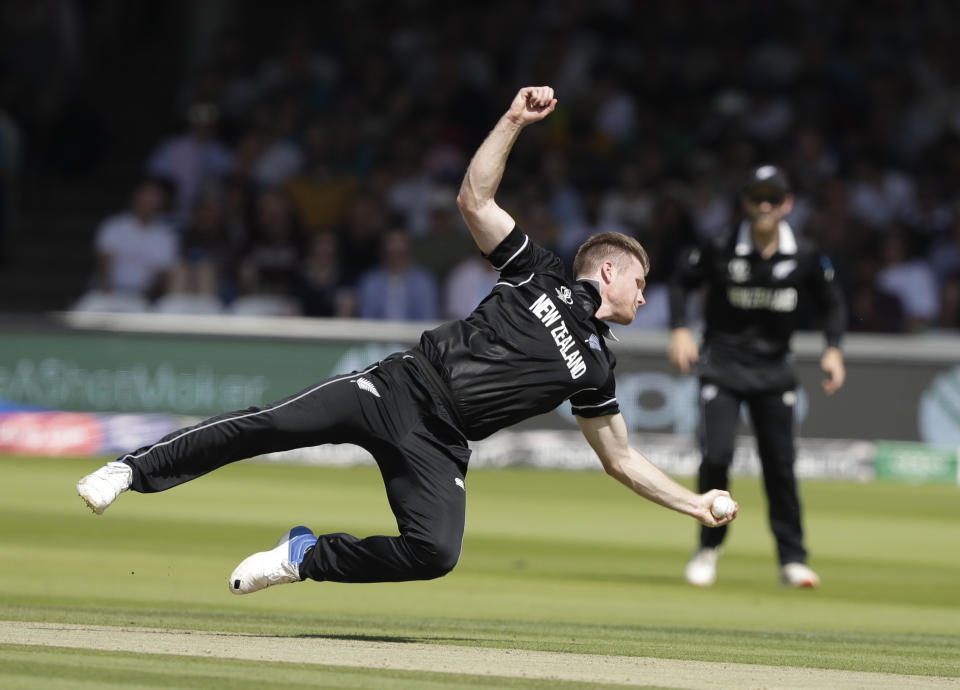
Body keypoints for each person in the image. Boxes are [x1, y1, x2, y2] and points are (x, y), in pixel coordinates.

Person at [76, 87, 738, 596]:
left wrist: (696, 503)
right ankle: (130, 470)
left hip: (442, 442)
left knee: (436, 554)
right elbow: (474, 201)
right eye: (642, 283)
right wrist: (512, 121)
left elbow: (621, 461)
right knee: (266, 425)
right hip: (396, 388)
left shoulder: (598, 368)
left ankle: (305, 556)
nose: (646, 298)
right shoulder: (542, 272)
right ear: (611, 269)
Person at [667, 164, 845, 589]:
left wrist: (834, 349)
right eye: (756, 198)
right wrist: (679, 329)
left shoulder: (804, 253)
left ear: (788, 204)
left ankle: (792, 560)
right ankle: (709, 547)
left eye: (773, 198)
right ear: (745, 203)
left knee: (780, 468)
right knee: (716, 457)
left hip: (775, 371)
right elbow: (680, 282)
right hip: (722, 367)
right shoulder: (721, 246)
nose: (764, 206)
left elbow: (833, 302)